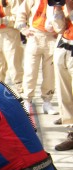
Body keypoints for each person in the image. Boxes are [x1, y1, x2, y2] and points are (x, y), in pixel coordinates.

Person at [15, 0, 59, 115]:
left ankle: (47, 101)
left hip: (52, 38)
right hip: (35, 35)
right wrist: (24, 29)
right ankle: (27, 100)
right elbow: (21, 13)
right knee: (30, 71)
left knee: (50, 73)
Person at [49, 0, 73, 151]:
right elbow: (58, 28)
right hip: (63, 46)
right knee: (64, 93)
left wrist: (69, 7)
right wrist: (58, 7)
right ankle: (71, 130)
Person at [0, 0, 24, 95]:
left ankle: (20, 91)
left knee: (13, 63)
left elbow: (19, 17)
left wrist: (1, 20)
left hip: (10, 32)